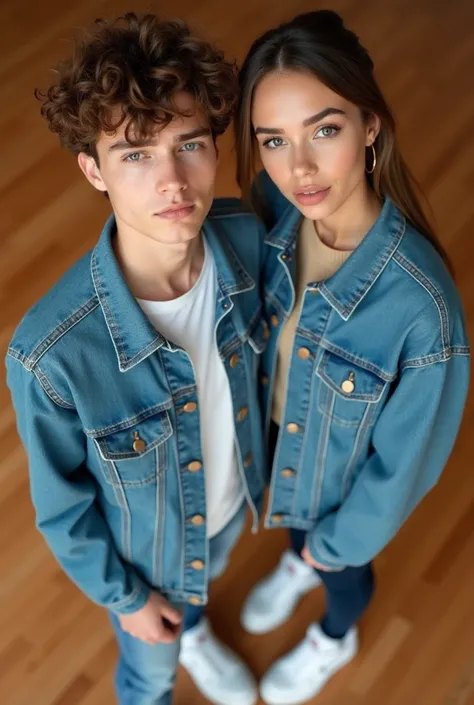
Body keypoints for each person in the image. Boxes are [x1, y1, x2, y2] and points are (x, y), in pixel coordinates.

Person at [6, 13, 268, 705]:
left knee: (207, 575)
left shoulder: (251, 243)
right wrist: (125, 600)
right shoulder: (51, 355)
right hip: (144, 564)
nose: (173, 180)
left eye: (189, 144)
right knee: (149, 678)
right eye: (135, 154)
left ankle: (199, 628)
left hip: (229, 509)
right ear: (93, 168)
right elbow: (64, 510)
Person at [234, 10, 470, 705]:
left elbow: (404, 468)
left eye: (324, 129)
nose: (297, 168)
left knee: (334, 560)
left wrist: (336, 544)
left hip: (345, 495)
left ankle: (335, 634)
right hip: (282, 445)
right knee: (297, 528)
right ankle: (297, 558)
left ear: (370, 125)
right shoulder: (272, 211)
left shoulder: (423, 310)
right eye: (273, 140)